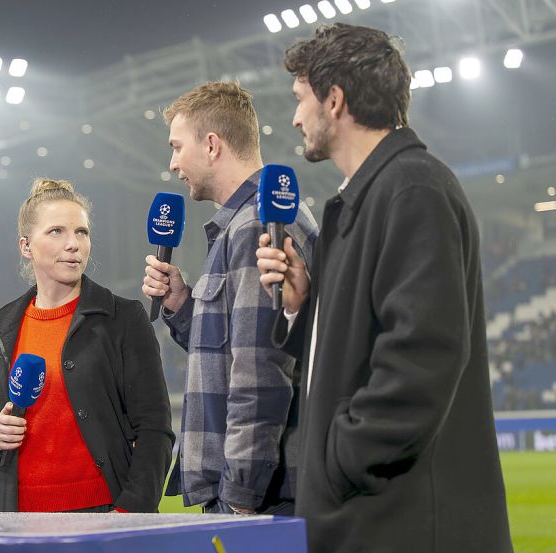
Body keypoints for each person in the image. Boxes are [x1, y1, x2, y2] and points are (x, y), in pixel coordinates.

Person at [255, 23, 512, 552]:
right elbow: (354, 352)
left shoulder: (413, 188)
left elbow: (422, 360)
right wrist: (305, 306)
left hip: (402, 524)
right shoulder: (367, 196)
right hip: (371, 518)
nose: (295, 118)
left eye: (301, 99)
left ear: (334, 100)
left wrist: (339, 460)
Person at [142, 81, 318, 515]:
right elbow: (230, 349)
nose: (173, 163)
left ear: (211, 145)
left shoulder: (258, 226)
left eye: (177, 147)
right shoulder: (248, 220)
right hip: (261, 490)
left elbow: (261, 373)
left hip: (259, 497)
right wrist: (182, 305)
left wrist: (239, 497)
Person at [0, 178, 174, 513]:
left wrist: (130, 512)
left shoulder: (123, 319)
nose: (73, 244)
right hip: (16, 518)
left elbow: (154, 430)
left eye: (81, 232)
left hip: (105, 515)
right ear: (26, 246)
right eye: (56, 231)